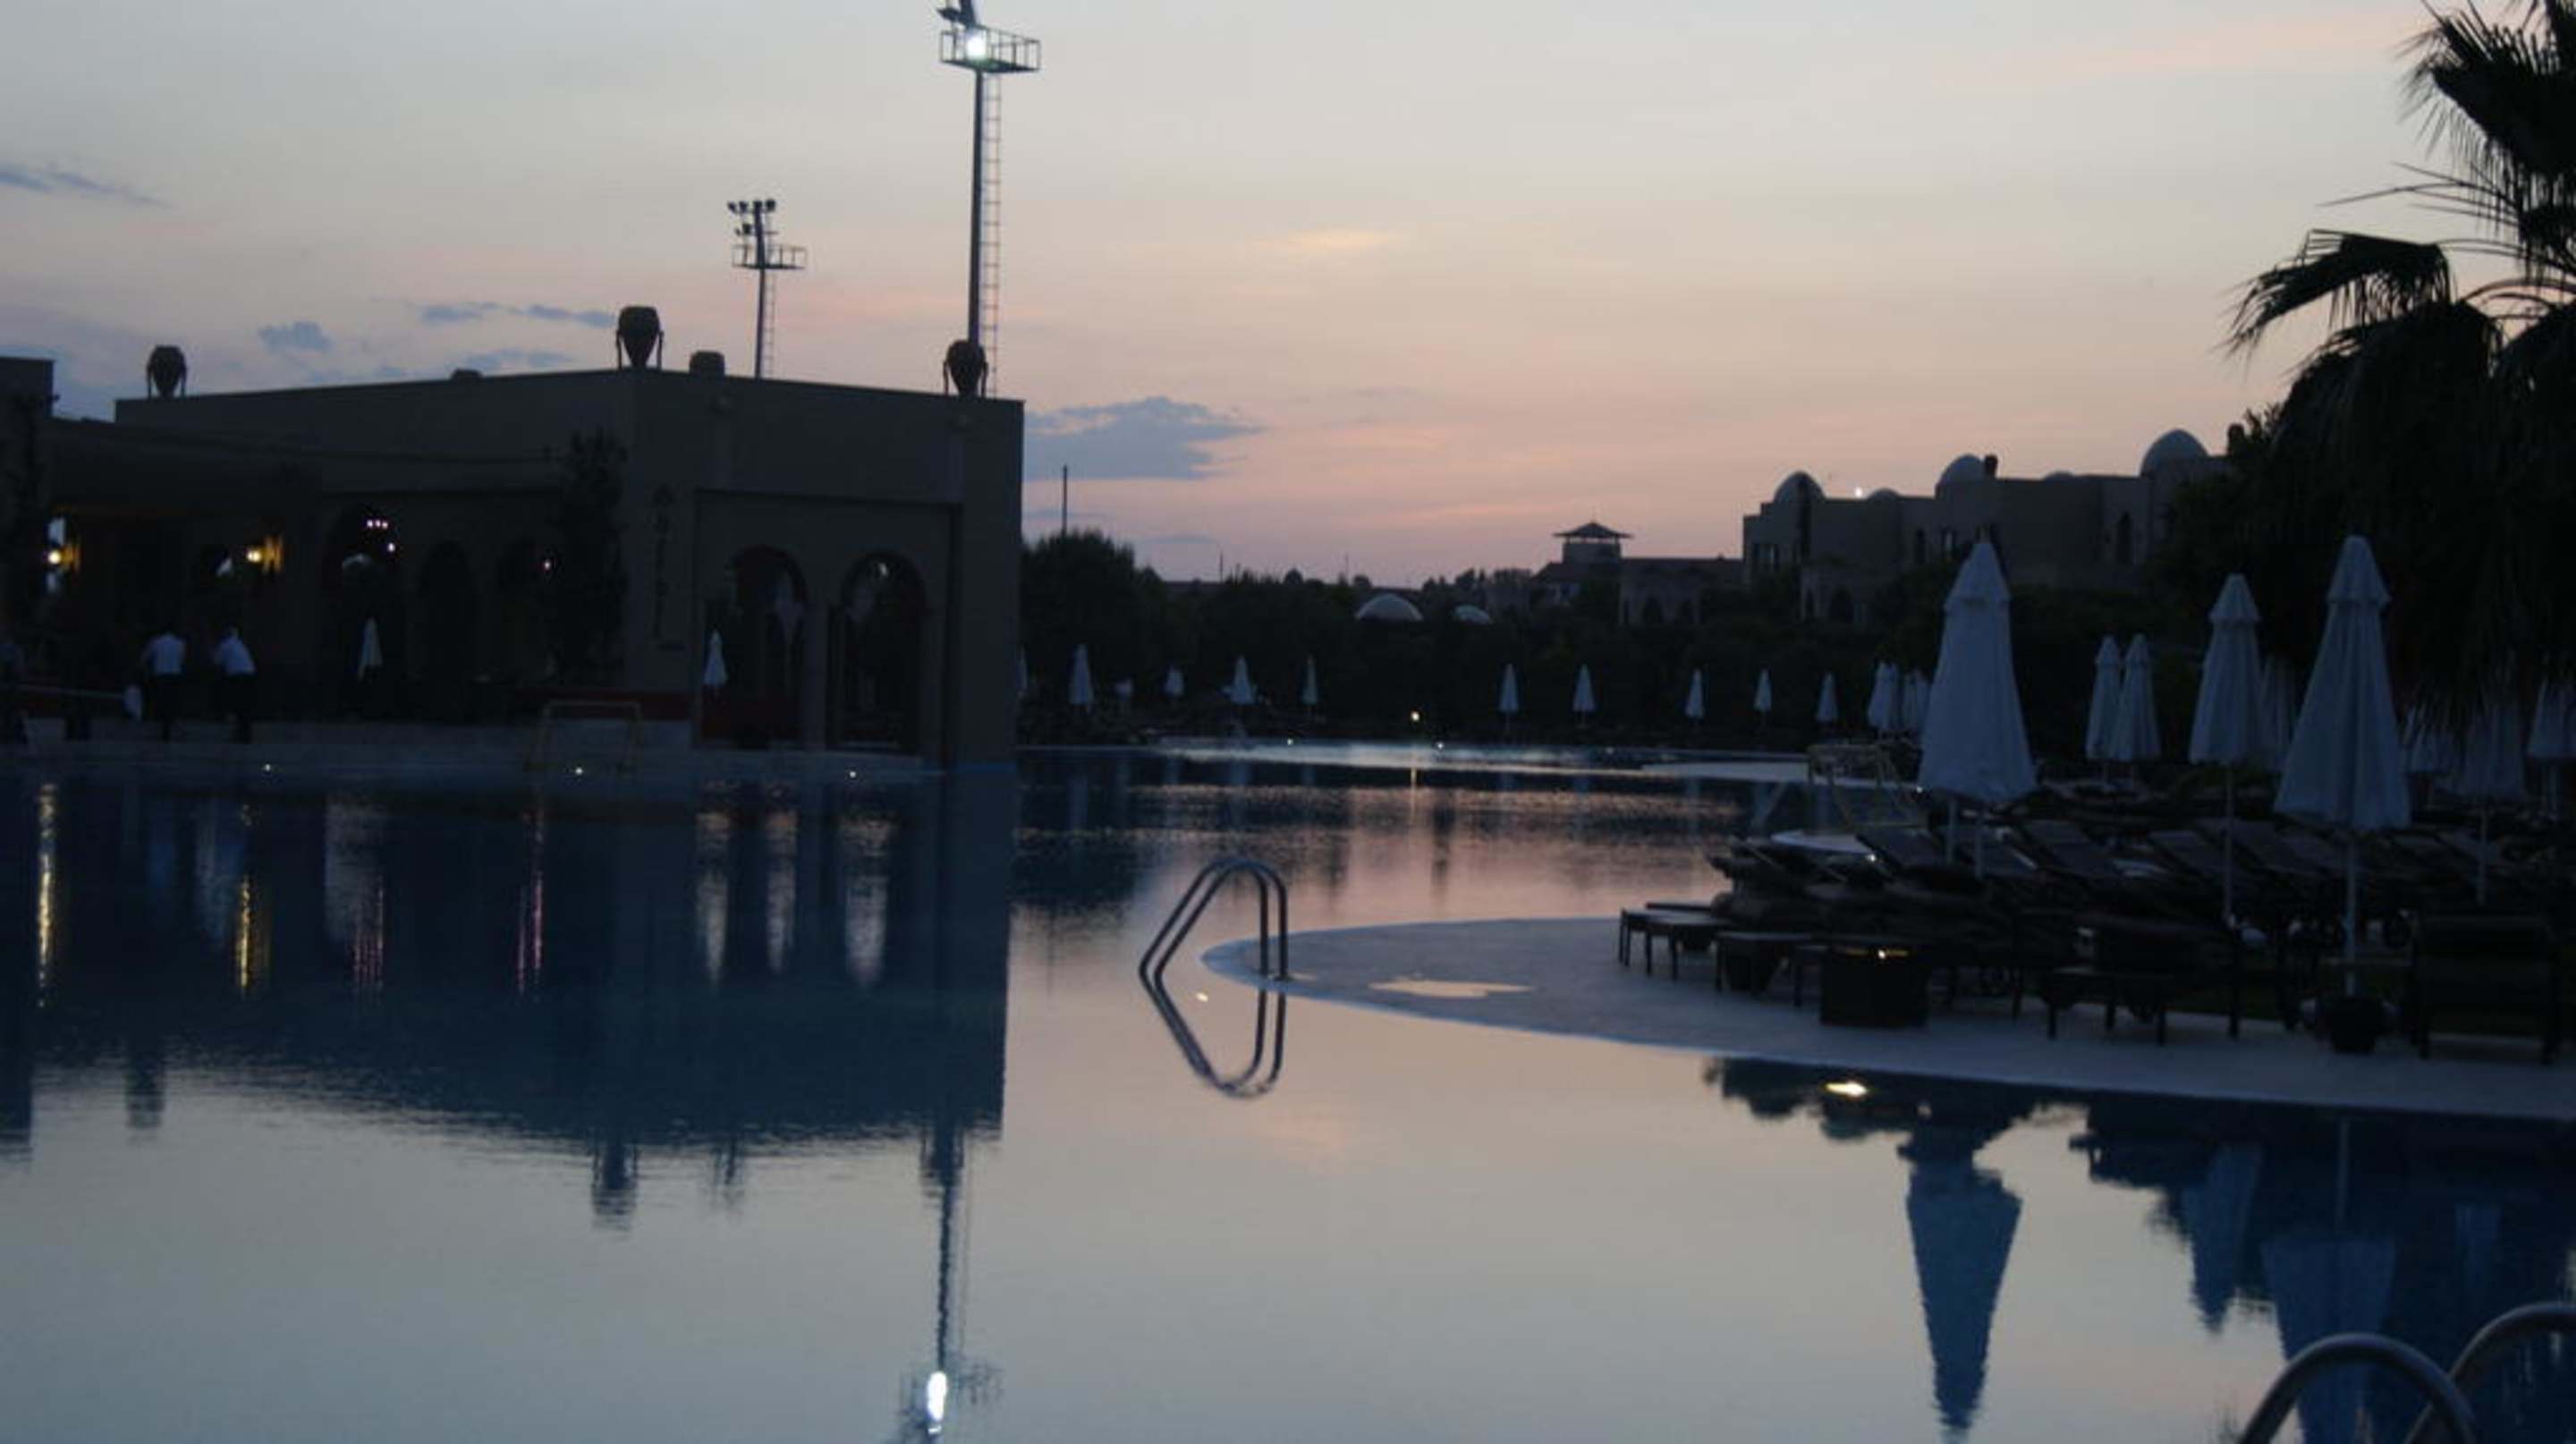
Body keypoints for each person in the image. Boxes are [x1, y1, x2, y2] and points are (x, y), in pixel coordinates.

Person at [137, 624, 186, 742]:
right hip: (174, 674)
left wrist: (146, 669)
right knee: (172, 700)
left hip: (160, 674)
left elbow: (145, 658)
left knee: (161, 699)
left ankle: (161, 722)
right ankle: (170, 722)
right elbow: (181, 660)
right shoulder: (180, 643)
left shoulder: (156, 642)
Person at [212, 625, 257, 743]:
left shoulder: (225, 645)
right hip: (249, 676)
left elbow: (217, 661)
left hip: (237, 677)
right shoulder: (240, 645)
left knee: (238, 705)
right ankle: (245, 734)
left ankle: (240, 734)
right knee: (245, 705)